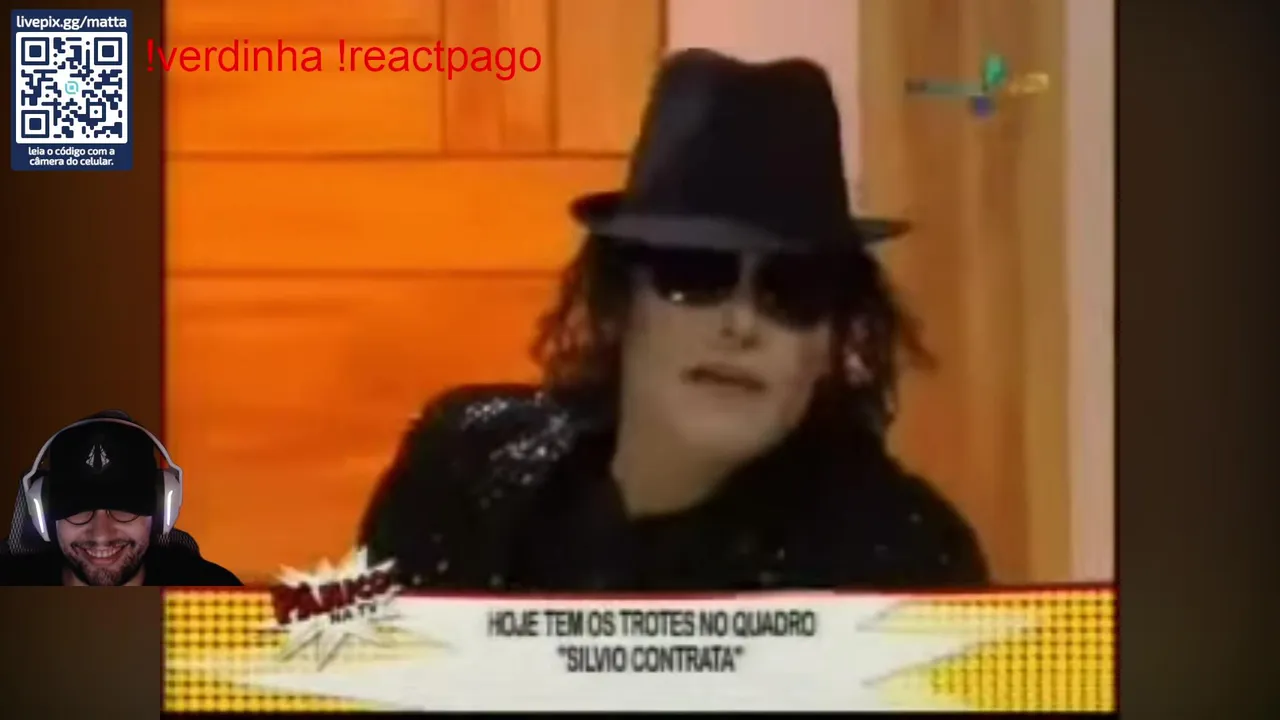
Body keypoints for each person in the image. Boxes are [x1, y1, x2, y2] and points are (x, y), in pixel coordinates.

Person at [358, 49, 989, 592]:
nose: (741, 324)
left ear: (830, 343)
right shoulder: (467, 470)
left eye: (793, 291)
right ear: (619, 304)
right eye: (695, 274)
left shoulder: (899, 556)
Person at [0, 411, 241, 586]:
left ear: (161, 508)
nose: (101, 534)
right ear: (43, 511)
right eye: (77, 509)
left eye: (124, 508)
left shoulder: (215, 593)